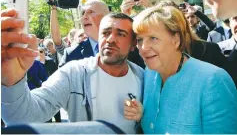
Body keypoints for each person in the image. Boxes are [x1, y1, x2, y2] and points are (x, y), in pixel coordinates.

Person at [1, 10, 143, 134]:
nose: (110, 39)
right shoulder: (74, 73)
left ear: (133, 45)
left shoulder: (144, 78)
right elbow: (22, 117)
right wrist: (12, 81)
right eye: (105, 33)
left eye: (121, 34)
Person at [124, 6, 237, 133]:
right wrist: (142, 115)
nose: (143, 48)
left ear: (176, 40)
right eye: (140, 40)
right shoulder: (150, 73)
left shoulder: (213, 80)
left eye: (153, 38)